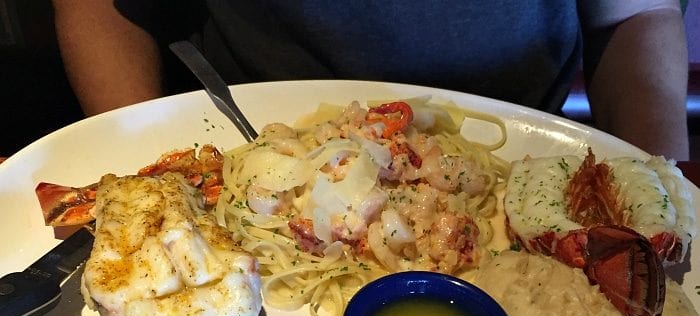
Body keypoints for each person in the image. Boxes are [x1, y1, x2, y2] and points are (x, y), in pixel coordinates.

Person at [52, 0, 689, 160]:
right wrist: (142, 186)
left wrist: (656, 195)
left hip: (515, 154)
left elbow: (635, 12)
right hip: (241, 141)